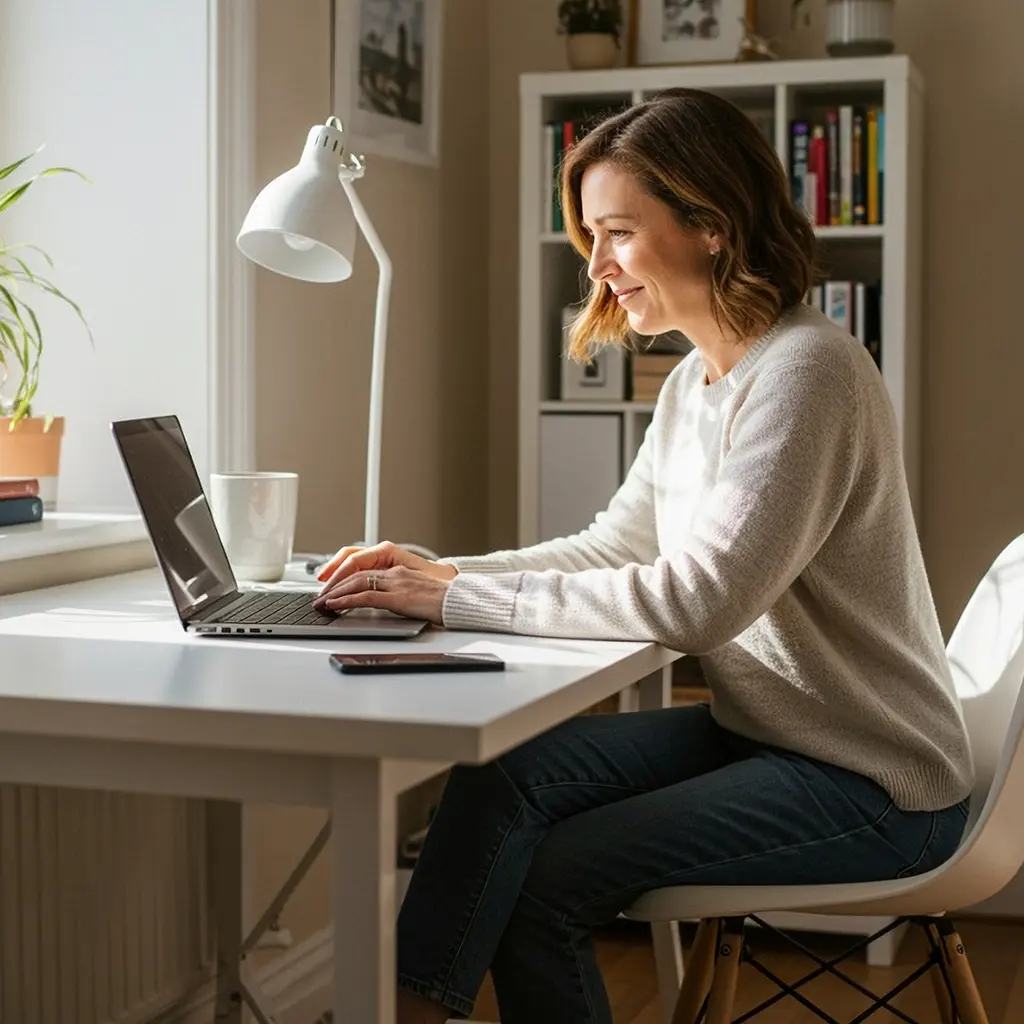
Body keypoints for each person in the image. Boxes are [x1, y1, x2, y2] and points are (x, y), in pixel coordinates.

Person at [313, 87, 974, 1024]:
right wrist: (443, 575)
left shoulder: (809, 371)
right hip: (775, 734)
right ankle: (409, 1010)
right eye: (590, 236)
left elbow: (698, 604)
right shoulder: (695, 385)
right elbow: (613, 546)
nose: (599, 265)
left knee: (548, 880)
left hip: (873, 779)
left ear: (710, 223)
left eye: (618, 232)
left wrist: (452, 603)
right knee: (500, 776)